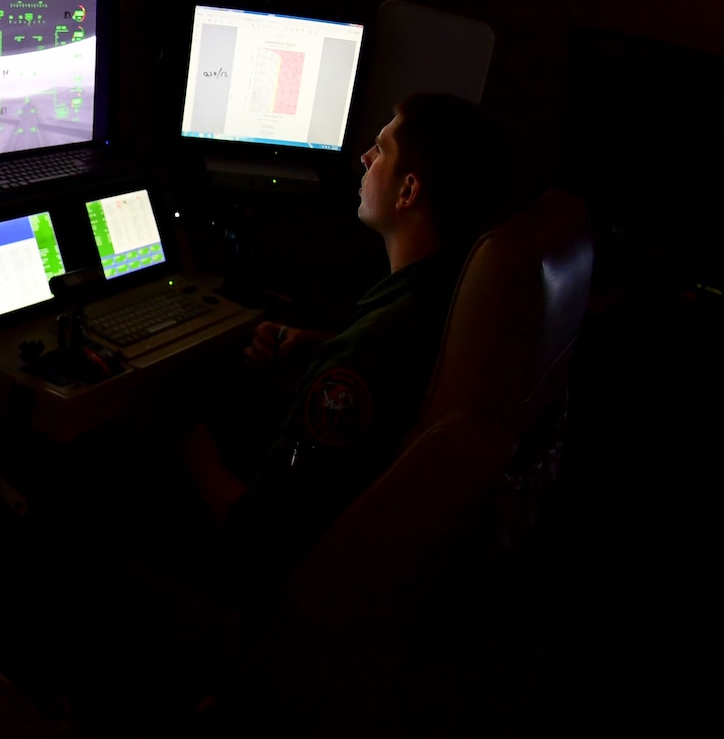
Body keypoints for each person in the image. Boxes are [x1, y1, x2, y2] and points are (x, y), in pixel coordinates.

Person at [183, 93, 508, 598]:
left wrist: (186, 439)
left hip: (273, 586)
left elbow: (255, 537)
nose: (364, 159)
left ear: (408, 191)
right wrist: (321, 349)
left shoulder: (367, 355)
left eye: (380, 149)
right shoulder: (448, 294)